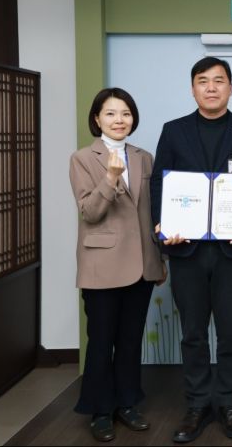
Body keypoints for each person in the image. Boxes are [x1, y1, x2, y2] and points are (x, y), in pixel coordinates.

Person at [150, 57, 232, 442]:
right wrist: (162, 225)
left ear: (231, 88)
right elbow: (159, 184)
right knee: (193, 333)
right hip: (186, 250)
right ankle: (197, 405)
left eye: (219, 81)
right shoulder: (174, 131)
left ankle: (230, 405)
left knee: (231, 331)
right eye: (204, 81)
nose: (212, 87)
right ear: (193, 89)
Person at [69, 87, 167, 442]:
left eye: (125, 113)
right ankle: (100, 410)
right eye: (110, 113)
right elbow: (90, 212)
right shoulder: (83, 158)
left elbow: (153, 211)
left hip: (142, 264)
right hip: (102, 266)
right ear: (97, 119)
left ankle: (127, 403)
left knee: (130, 340)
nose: (119, 120)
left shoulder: (144, 157)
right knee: (101, 341)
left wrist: (161, 257)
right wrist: (110, 178)